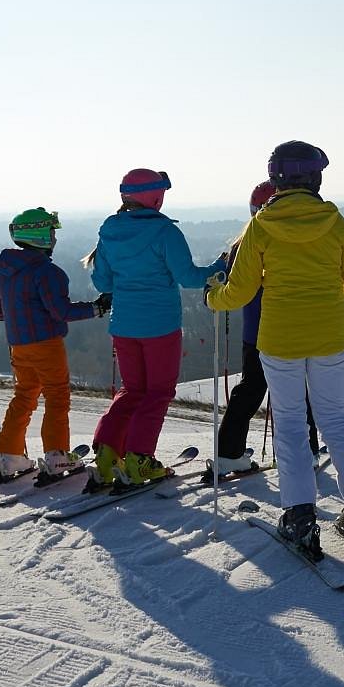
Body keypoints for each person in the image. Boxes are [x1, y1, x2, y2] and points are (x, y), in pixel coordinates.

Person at [206, 141, 344, 556]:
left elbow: (240, 291)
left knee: (288, 424)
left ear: (276, 179)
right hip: (329, 337)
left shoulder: (262, 225)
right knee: (335, 420)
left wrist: (214, 296)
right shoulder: (335, 221)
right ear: (316, 177)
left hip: (280, 340)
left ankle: (300, 519)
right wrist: (329, 284)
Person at [85, 169, 223, 491]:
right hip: (160, 326)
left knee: (132, 391)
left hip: (124, 326)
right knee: (158, 392)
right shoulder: (165, 232)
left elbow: (103, 282)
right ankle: (138, 458)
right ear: (156, 197)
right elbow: (189, 277)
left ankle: (106, 456)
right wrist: (220, 269)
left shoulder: (109, 230)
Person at [0, 208, 108, 484]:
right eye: (51, 232)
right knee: (56, 396)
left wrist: (18, 311)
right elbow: (60, 311)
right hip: (46, 344)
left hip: (18, 346)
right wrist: (96, 309)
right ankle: (56, 456)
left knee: (24, 397)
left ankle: (8, 456)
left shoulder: (5, 273)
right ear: (39, 235)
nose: (54, 237)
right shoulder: (48, 272)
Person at [214, 180, 323, 478]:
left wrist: (213, 293)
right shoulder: (298, 243)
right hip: (292, 330)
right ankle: (308, 451)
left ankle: (228, 452)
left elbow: (222, 279)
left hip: (255, 334)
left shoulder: (239, 247)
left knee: (250, 390)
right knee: (297, 392)